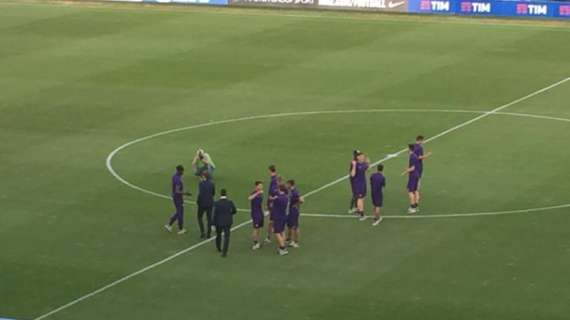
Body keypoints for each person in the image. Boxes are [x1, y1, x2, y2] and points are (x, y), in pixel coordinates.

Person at [164, 165, 192, 235]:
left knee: (178, 212)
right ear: (179, 171)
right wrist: (186, 193)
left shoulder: (174, 176)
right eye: (182, 171)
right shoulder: (178, 180)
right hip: (178, 198)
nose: (183, 172)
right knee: (180, 213)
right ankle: (181, 229)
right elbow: (177, 191)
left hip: (176, 197)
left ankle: (169, 225)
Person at [212, 189, 237, 257]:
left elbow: (214, 214)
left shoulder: (216, 203)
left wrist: (213, 224)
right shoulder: (230, 202)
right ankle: (224, 252)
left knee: (218, 235)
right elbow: (234, 211)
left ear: (220, 194)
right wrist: (230, 214)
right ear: (226, 194)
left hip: (219, 221)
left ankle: (219, 248)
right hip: (227, 221)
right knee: (227, 237)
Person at [350, 151, 370, 220]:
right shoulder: (356, 164)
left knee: (362, 198)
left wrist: (368, 162)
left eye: (363, 155)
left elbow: (367, 168)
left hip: (363, 184)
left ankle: (358, 211)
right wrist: (354, 165)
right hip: (358, 185)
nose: (363, 157)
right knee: (360, 199)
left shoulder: (363, 164)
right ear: (358, 157)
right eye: (361, 156)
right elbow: (352, 174)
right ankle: (361, 215)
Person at [402, 144, 420, 214]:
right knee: (415, 191)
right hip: (416, 175)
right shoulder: (415, 155)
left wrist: (405, 172)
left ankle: (412, 207)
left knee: (410, 191)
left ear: (409, 149)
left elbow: (412, 168)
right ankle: (416, 206)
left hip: (413, 176)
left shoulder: (412, 156)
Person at [271, 185, 290, 256]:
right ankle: (282, 246)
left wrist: (273, 198)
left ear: (280, 190)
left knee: (277, 232)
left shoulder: (277, 198)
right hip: (283, 216)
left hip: (278, 217)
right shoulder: (286, 197)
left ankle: (283, 248)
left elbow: (273, 204)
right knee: (282, 231)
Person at [196, 172, 215, 239]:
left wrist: (198, 201)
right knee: (209, 219)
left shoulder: (201, 184)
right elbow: (213, 193)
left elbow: (200, 194)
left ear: (204, 177)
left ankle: (202, 232)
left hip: (202, 203)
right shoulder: (212, 184)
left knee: (199, 217)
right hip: (210, 203)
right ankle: (208, 234)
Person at [413, 135, 432, 200]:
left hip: (413, 164)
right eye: (423, 140)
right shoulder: (419, 148)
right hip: (418, 166)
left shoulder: (413, 146)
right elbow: (419, 157)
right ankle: (416, 192)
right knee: (418, 179)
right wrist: (427, 155)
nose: (423, 142)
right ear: (420, 140)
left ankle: (413, 190)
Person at [286, 180, 304, 248]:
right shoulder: (291, 191)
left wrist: (296, 205)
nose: (286, 185)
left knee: (295, 227)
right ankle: (290, 239)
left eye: (287, 184)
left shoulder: (295, 192)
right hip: (290, 210)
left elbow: (302, 200)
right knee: (290, 225)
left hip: (294, 211)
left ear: (290, 184)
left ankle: (296, 242)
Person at [264, 165, 279, 243]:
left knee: (270, 221)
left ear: (270, 170)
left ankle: (269, 237)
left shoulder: (273, 180)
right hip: (276, 203)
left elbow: (271, 193)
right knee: (273, 220)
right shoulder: (276, 179)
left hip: (273, 203)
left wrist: (268, 203)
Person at [248, 181, 264, 250]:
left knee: (259, 228)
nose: (261, 187)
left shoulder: (261, 193)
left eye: (261, 186)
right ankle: (255, 243)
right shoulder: (254, 192)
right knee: (255, 228)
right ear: (256, 186)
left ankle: (257, 241)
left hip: (260, 213)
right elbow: (249, 198)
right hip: (255, 213)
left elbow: (260, 203)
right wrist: (257, 193)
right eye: (260, 185)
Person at [347, 150, 359, 214]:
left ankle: (356, 207)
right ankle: (351, 208)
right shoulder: (353, 162)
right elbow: (352, 173)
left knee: (357, 194)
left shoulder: (356, 161)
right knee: (355, 194)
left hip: (356, 179)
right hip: (353, 180)